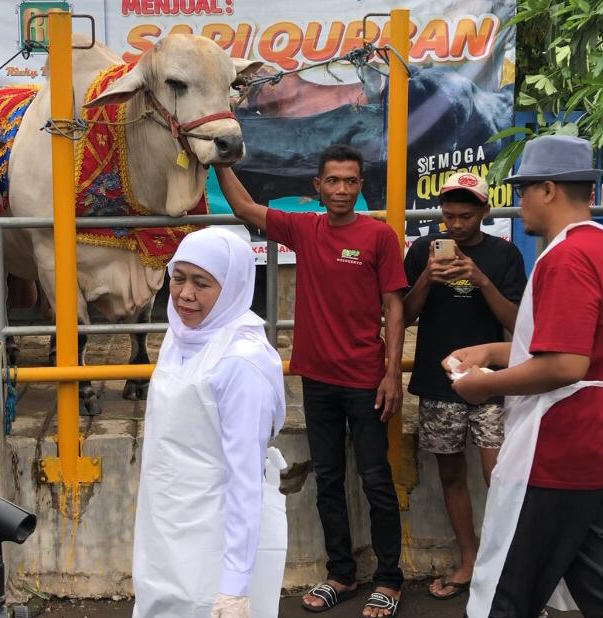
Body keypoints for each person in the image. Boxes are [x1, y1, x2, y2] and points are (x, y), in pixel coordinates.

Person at [448, 135, 603, 618]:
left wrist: (484, 383)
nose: (520, 206)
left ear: (548, 189)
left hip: (559, 450)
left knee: (507, 586)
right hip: (601, 446)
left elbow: (566, 364)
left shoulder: (565, 258)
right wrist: (493, 351)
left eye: (522, 192)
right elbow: (579, 345)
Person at [216, 144, 407, 618]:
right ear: (316, 188)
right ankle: (340, 574)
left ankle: (389, 580)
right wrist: (217, 161)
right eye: (333, 181)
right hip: (317, 380)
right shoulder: (305, 227)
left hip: (366, 380)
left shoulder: (379, 236)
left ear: (360, 186)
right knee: (328, 482)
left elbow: (394, 306)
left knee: (376, 480)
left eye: (351, 181)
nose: (342, 189)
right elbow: (243, 207)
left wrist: (391, 373)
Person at [132, 227, 288, 618]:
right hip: (166, 526)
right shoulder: (181, 333)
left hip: (214, 541)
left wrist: (234, 585)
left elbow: (245, 479)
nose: (185, 294)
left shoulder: (241, 361)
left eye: (202, 283)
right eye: (178, 278)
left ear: (233, 286)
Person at [401, 172, 526, 600]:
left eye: (466, 216)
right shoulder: (422, 251)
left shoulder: (504, 255)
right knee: (451, 475)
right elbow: (407, 313)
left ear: (485, 213)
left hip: (491, 383)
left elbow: (516, 324)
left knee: (501, 475)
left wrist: (481, 279)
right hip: (439, 385)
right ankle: (470, 560)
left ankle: (509, 563)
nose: (455, 225)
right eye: (449, 216)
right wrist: (426, 279)